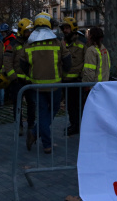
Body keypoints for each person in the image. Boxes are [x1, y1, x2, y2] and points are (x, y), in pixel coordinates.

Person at [22, 12, 72, 154]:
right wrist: (63, 74)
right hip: (55, 85)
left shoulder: (29, 44)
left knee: (43, 113)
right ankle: (47, 145)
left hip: (36, 85)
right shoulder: (57, 42)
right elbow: (68, 60)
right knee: (52, 111)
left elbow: (23, 64)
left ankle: (36, 134)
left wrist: (32, 75)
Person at [2, 18, 36, 135]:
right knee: (18, 105)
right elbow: (7, 62)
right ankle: (19, 125)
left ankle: (31, 125)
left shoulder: (32, 43)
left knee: (32, 103)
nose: (29, 33)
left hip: (30, 81)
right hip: (18, 81)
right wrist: (13, 77)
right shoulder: (13, 44)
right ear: (21, 31)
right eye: (27, 31)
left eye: (31, 31)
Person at [60, 17, 86, 136]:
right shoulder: (62, 43)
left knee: (79, 106)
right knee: (70, 106)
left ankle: (80, 126)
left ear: (73, 28)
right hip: (65, 80)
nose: (65, 31)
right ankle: (74, 125)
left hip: (78, 81)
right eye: (64, 28)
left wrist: (82, 76)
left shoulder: (82, 43)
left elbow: (87, 61)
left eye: (67, 28)